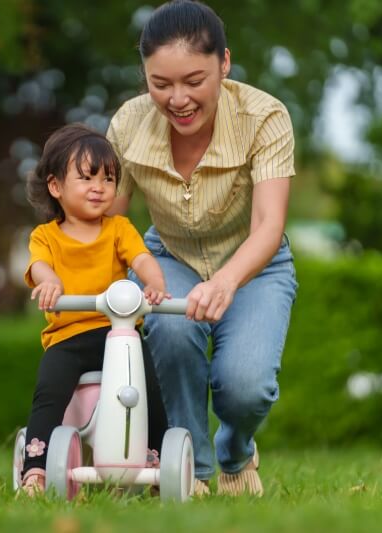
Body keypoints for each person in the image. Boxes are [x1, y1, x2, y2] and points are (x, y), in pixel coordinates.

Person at [106, 0, 298, 498]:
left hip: (255, 264)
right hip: (167, 258)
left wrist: (226, 281)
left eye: (194, 81)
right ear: (144, 74)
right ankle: (192, 471)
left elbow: (269, 225)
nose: (178, 99)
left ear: (225, 63)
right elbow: (110, 224)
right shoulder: (128, 125)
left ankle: (236, 453)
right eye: (161, 84)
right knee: (168, 328)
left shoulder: (265, 117)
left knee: (245, 387)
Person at [20, 123, 170, 496]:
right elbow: (39, 266)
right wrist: (50, 282)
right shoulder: (46, 236)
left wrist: (154, 283)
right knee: (49, 392)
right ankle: (35, 469)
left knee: (148, 385)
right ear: (55, 187)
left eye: (108, 178)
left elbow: (141, 258)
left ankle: (157, 456)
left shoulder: (118, 228)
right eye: (87, 178)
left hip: (117, 334)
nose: (99, 187)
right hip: (68, 337)